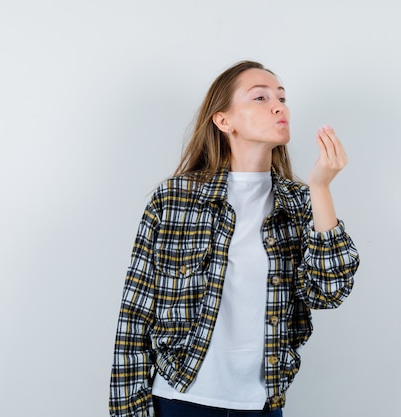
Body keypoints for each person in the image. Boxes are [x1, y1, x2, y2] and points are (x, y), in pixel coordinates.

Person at [109, 60, 360, 417]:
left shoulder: (301, 202)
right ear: (223, 120)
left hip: (260, 406)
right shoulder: (173, 199)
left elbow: (329, 291)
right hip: (181, 400)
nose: (278, 106)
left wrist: (320, 187)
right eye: (260, 97)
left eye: (282, 98)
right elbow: (135, 317)